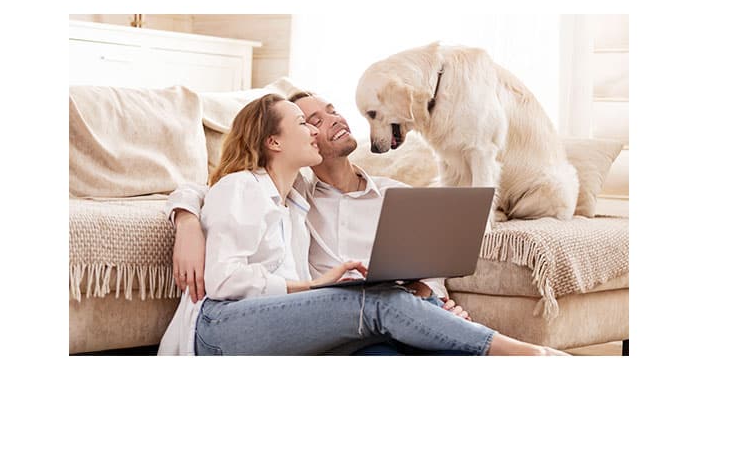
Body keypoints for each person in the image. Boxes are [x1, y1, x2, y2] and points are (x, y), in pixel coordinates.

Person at [159, 92, 567, 355]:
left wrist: (432, 299)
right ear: (275, 141)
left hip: (304, 321)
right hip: (223, 324)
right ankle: (527, 356)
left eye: (327, 112)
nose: (322, 126)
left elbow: (423, 266)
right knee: (374, 303)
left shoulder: (294, 203)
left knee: (390, 344)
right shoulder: (259, 188)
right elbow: (213, 208)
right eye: (306, 122)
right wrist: (186, 221)